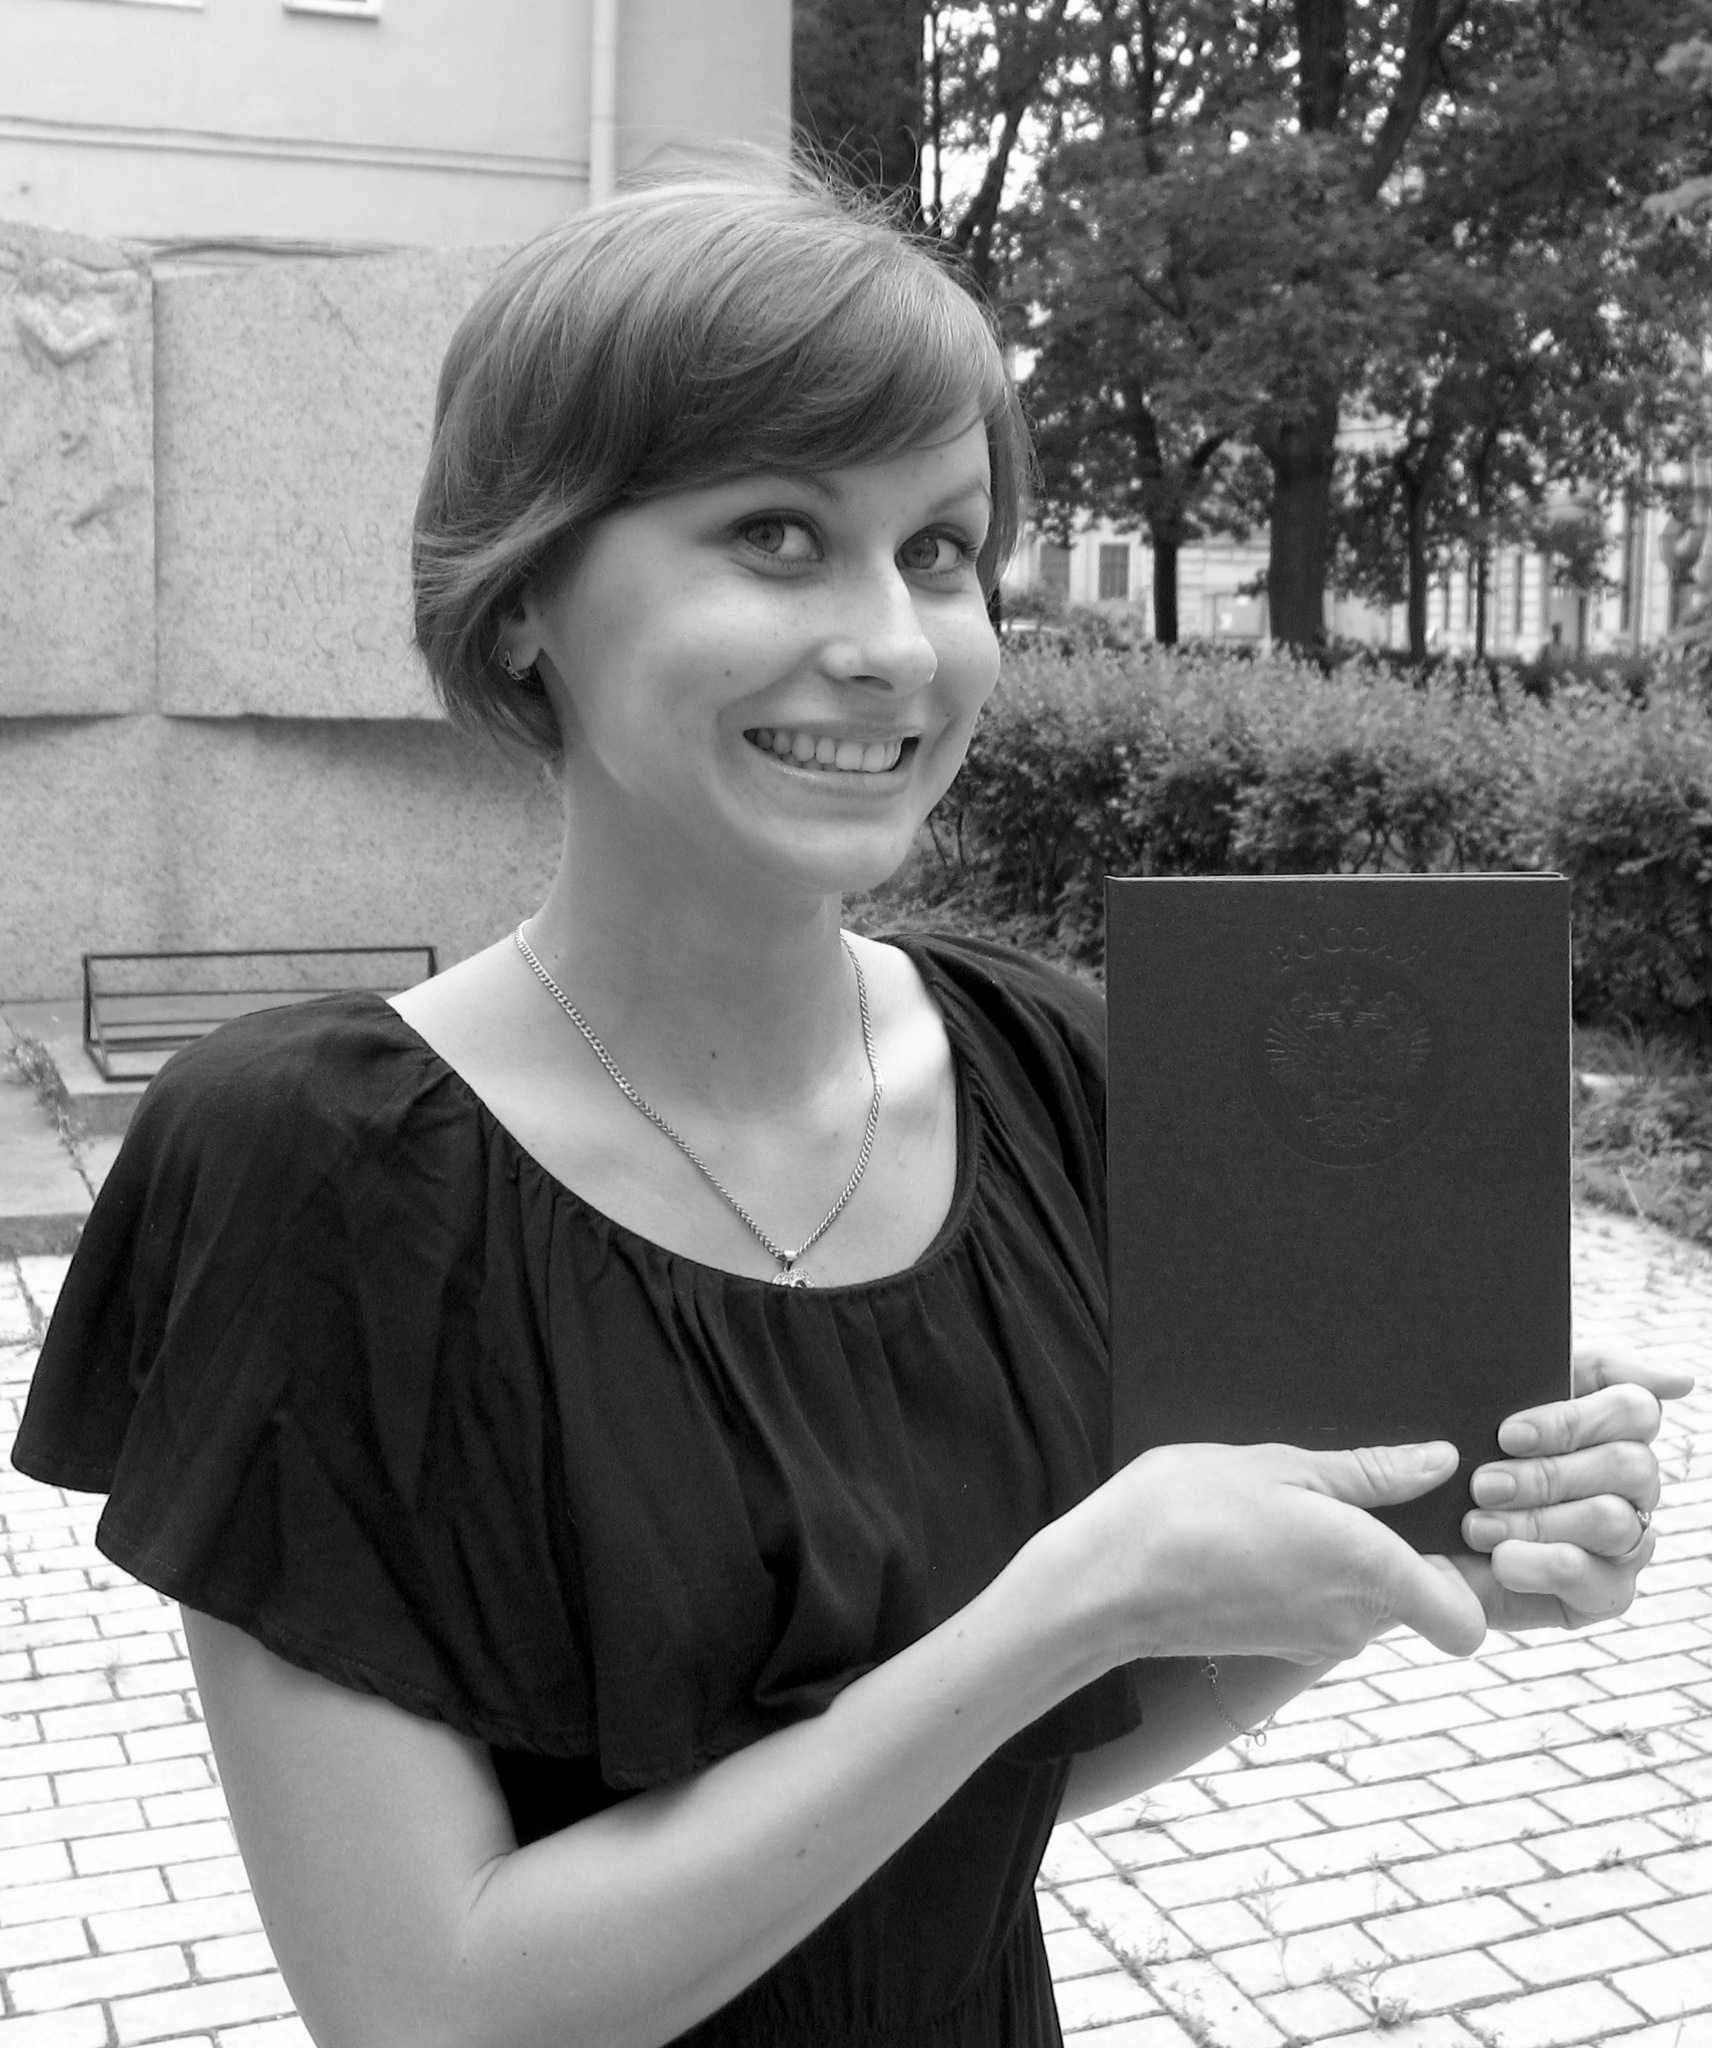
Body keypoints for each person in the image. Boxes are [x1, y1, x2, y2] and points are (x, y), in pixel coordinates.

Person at [13, 156, 1691, 2048]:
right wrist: (1064, 1606)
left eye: (942, 549)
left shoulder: (1050, 1074)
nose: (895, 641)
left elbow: (989, 1787)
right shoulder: (309, 1171)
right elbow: (432, 2009)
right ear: (523, 596)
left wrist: (1395, 1556)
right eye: (777, 533)